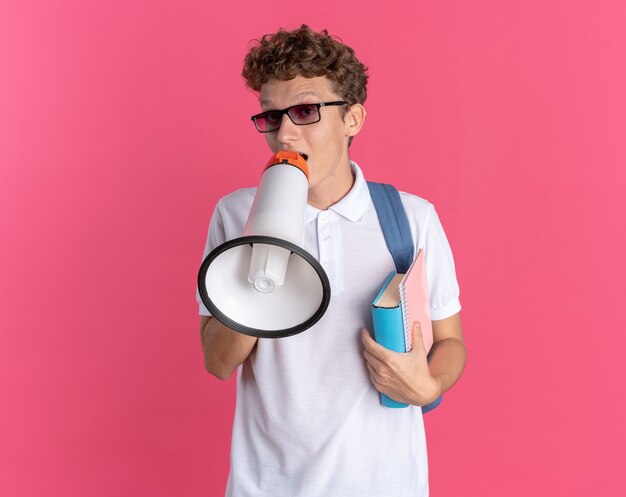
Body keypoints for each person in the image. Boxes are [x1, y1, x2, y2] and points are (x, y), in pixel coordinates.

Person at [198, 24, 466, 497]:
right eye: (271, 116)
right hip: (267, 486)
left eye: (305, 111)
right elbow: (218, 363)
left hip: (388, 484)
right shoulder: (236, 213)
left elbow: (450, 342)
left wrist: (428, 387)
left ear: (352, 119)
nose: (285, 132)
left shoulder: (411, 217)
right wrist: (265, 247)